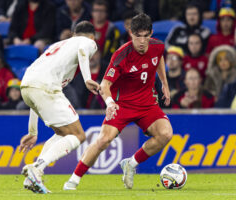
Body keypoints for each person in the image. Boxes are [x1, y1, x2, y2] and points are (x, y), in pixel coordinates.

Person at [63, 13, 173, 190]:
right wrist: (110, 103)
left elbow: (158, 58)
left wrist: (164, 85)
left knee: (166, 134)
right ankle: (73, 180)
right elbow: (105, 85)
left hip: (147, 103)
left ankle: (131, 163)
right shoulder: (121, 55)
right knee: (103, 140)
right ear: (131, 33)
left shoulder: (158, 46)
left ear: (151, 33)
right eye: (138, 36)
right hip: (122, 105)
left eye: (146, 36)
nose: (143, 41)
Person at [18, 21, 100, 194]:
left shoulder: (57, 47)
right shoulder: (86, 41)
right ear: (92, 36)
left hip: (27, 85)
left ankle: (33, 177)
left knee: (63, 133)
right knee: (78, 135)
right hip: (45, 86)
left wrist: (33, 132)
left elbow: (36, 100)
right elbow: (84, 50)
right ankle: (37, 168)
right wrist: (87, 79)